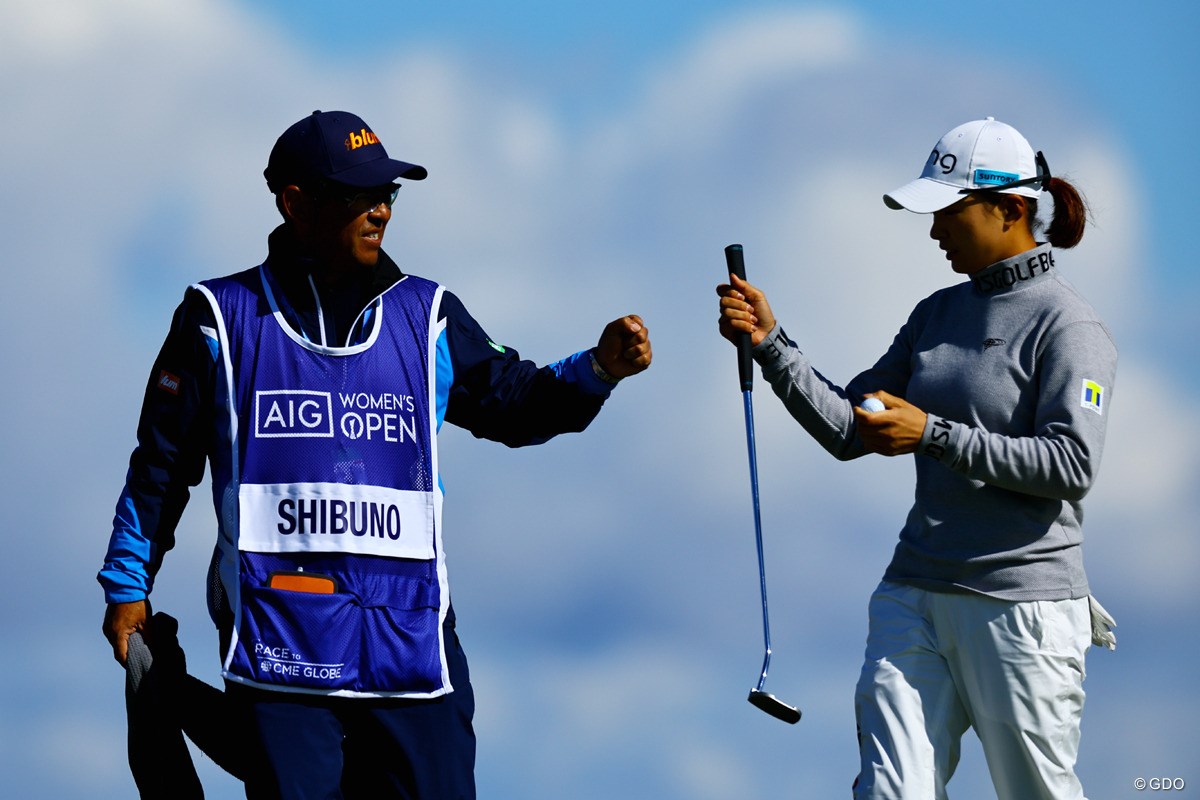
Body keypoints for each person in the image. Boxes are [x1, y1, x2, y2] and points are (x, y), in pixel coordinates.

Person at [99, 108, 652, 799]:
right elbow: (159, 467)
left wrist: (597, 368)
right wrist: (127, 589)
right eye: (360, 195)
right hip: (281, 638)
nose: (382, 210)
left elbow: (515, 403)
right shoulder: (217, 316)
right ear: (295, 204)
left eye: (390, 194)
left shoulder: (429, 315)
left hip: (410, 645)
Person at [717, 117, 1117, 799]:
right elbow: (851, 426)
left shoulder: (1070, 326)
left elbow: (1071, 464)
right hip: (915, 594)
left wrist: (934, 435)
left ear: (1010, 209)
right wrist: (772, 343)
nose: (934, 234)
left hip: (1022, 609)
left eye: (949, 214)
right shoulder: (935, 314)